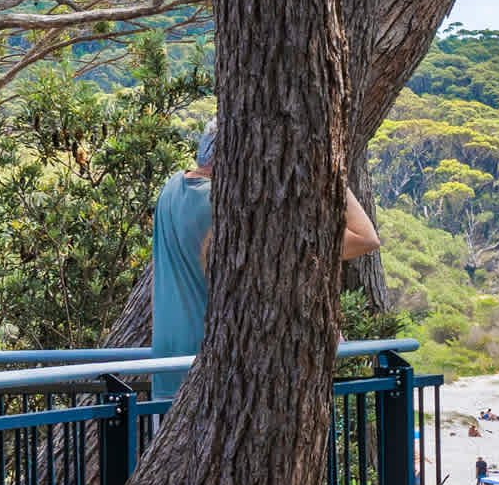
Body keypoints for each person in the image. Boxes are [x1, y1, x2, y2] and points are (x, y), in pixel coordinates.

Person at [149, 120, 381, 400]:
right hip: (222, 374)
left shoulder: (171, 189)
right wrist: (327, 168)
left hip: (167, 365)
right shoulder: (235, 208)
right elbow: (364, 238)